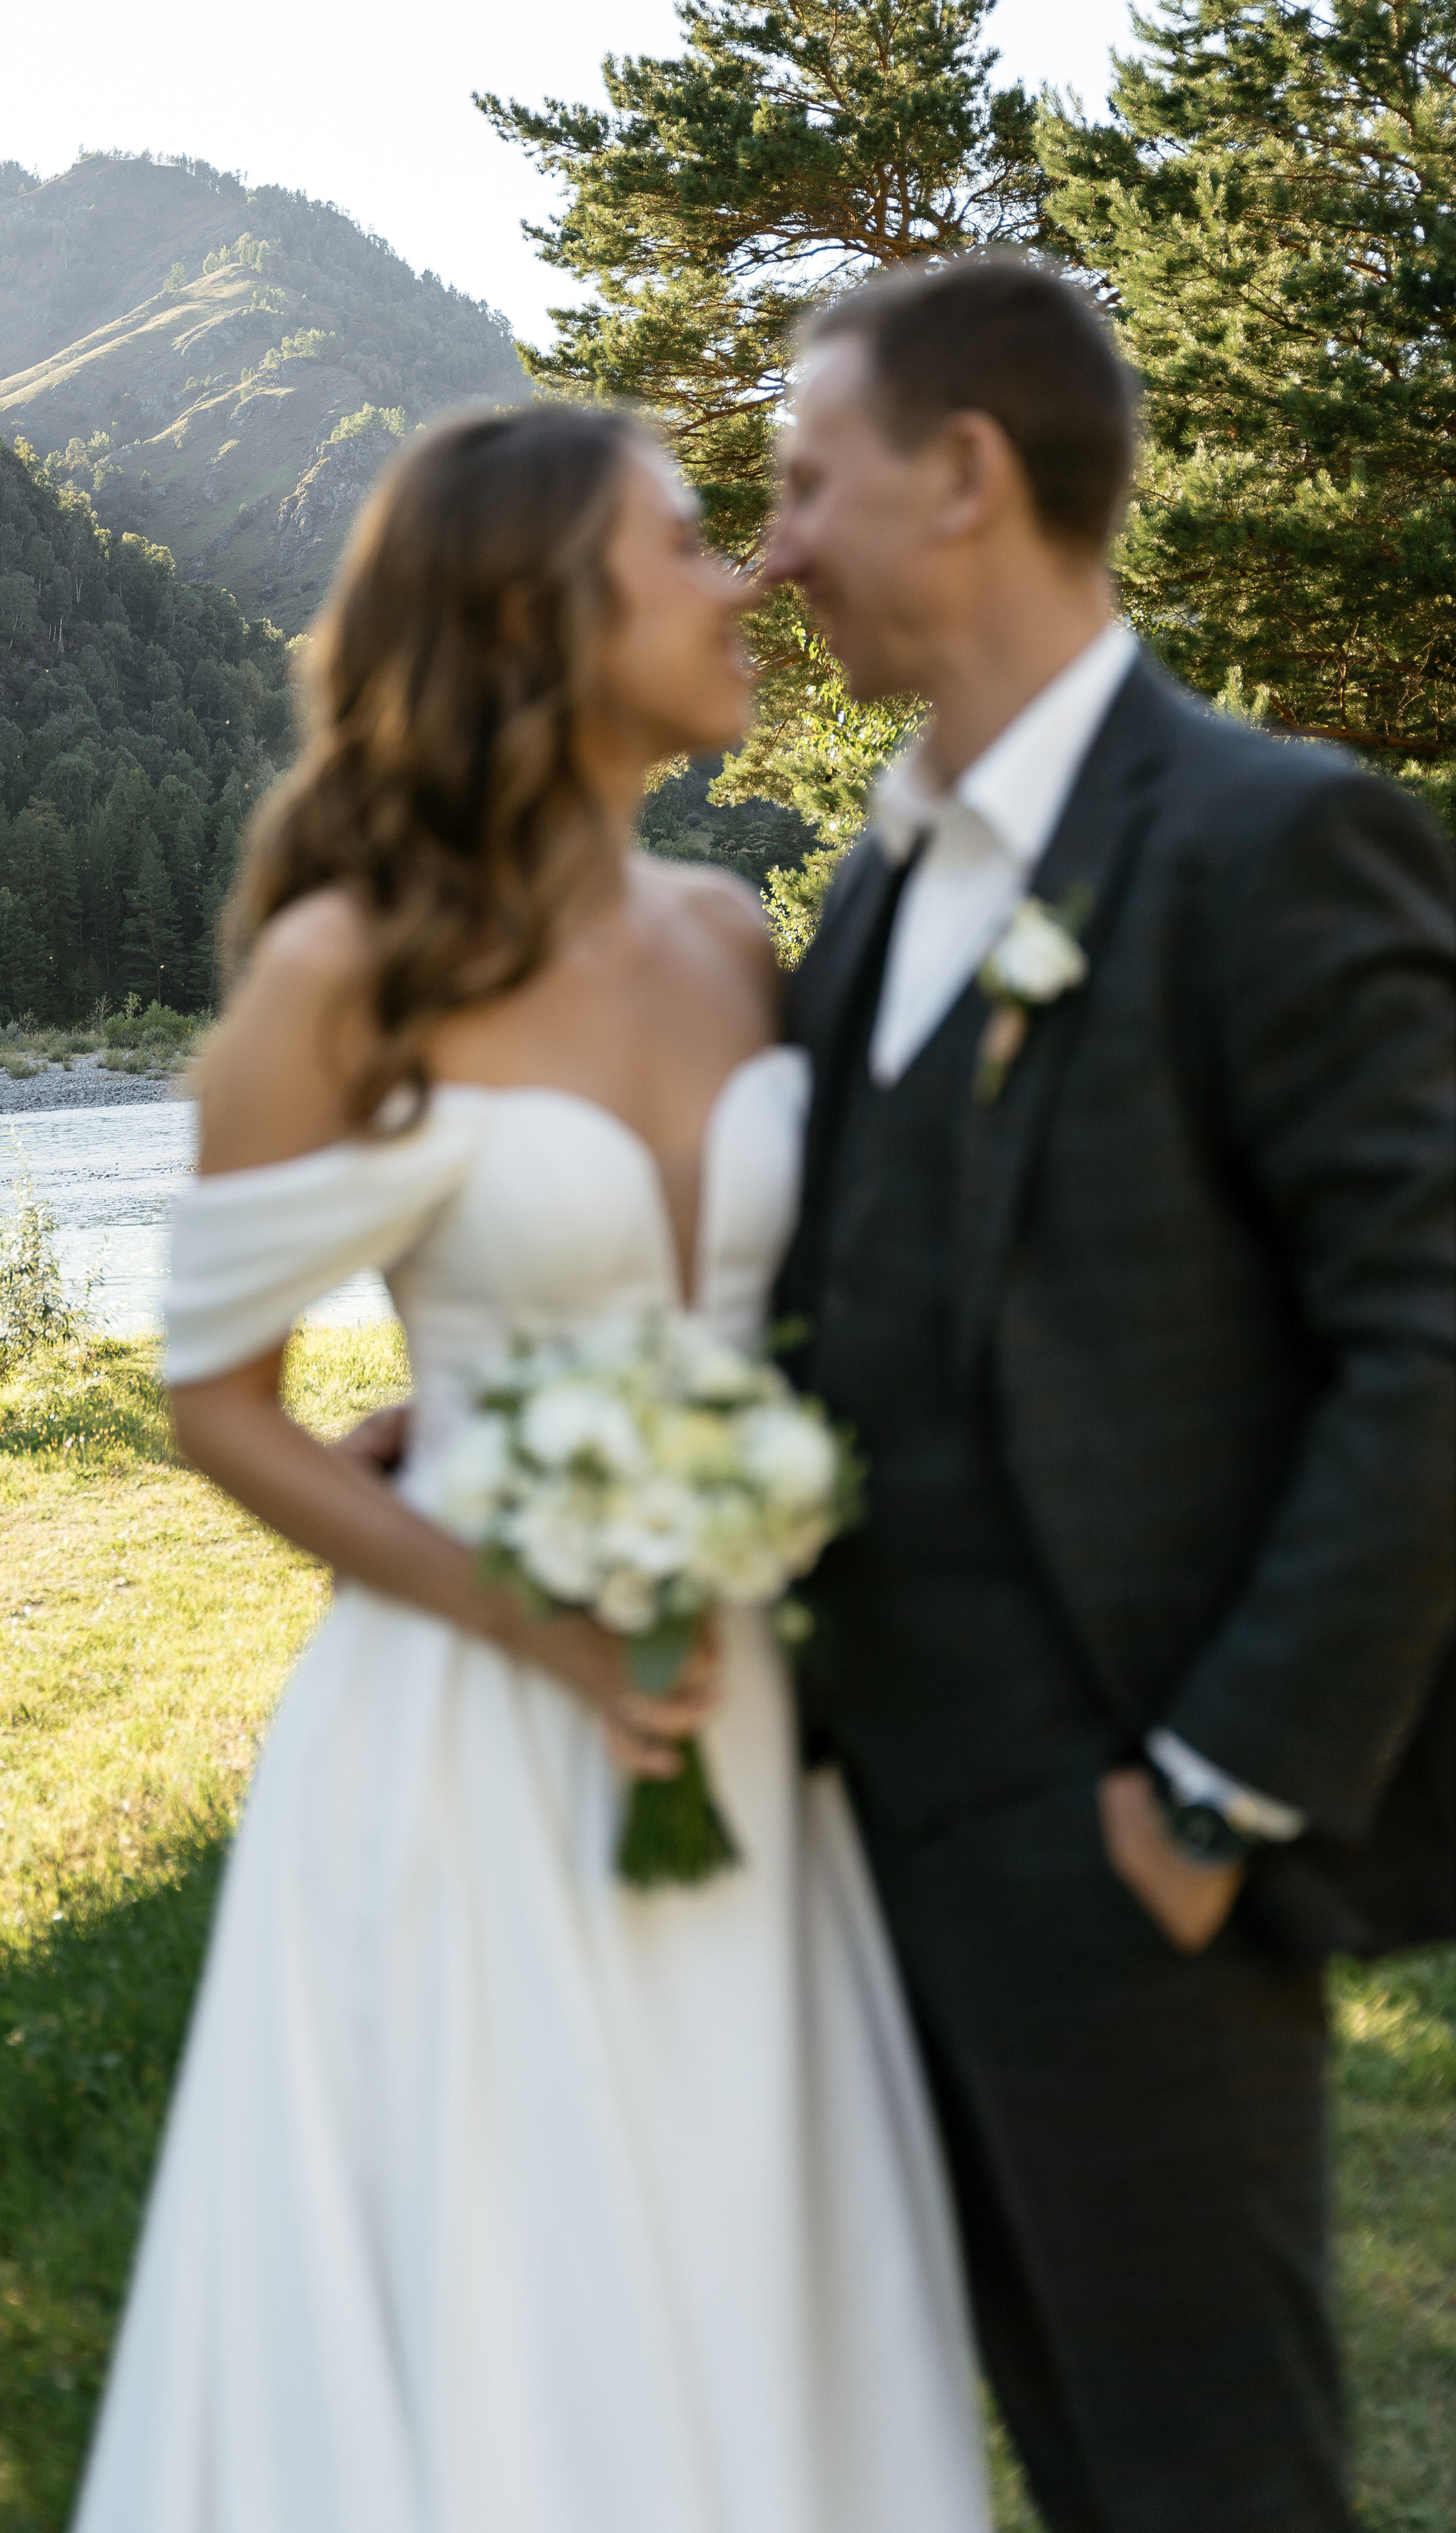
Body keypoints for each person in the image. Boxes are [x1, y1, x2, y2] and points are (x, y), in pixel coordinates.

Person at [69, 405, 991, 2533]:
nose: (746, 578)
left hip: (748, 1714)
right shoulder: (344, 975)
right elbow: (217, 1401)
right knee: (519, 2297)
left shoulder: (736, 944)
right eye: (685, 544)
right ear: (533, 615)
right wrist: (530, 1611)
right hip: (477, 1728)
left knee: (757, 2274)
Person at [764, 252, 1455, 2533]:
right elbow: (830, 1294)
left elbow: (1429, 1342)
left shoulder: (1271, 838)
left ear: (966, 477)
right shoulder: (874, 887)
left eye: (802, 483)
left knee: (1211, 2487)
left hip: (1134, 1866)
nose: (770, 549)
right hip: (869, 1849)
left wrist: (1213, 1797)